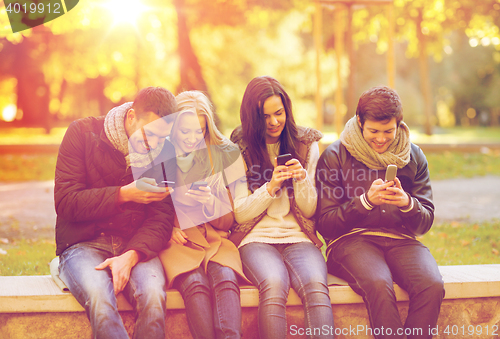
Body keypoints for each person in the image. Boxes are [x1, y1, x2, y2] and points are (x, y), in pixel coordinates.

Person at [316, 86, 445, 339]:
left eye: (388, 131)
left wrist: (407, 203)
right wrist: (364, 202)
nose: (381, 139)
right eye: (373, 131)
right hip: (350, 241)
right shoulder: (334, 155)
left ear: (399, 124)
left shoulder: (413, 156)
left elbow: (424, 222)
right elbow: (325, 224)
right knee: (378, 283)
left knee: (432, 285)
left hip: (401, 240)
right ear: (360, 122)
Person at [55, 87, 177, 339]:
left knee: (153, 297)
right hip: (82, 244)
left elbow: (161, 219)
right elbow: (66, 202)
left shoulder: (163, 153)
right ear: (131, 116)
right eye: (149, 134)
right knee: (100, 297)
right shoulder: (82, 133)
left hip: (134, 246)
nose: (154, 144)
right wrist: (124, 194)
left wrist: (131, 256)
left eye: (161, 137)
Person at [230, 76, 335, 339]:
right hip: (255, 239)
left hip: (299, 237)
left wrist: (300, 180)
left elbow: (310, 211)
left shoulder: (306, 145)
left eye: (279, 113)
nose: (274, 122)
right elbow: (240, 212)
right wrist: (271, 186)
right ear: (252, 118)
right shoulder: (237, 149)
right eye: (265, 117)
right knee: (274, 284)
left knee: (316, 285)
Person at [159, 91, 248, 339]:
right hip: (177, 242)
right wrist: (167, 229)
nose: (191, 138)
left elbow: (229, 221)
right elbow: (148, 210)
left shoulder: (217, 155)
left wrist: (211, 203)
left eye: (199, 131)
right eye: (185, 131)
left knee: (226, 279)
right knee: (195, 284)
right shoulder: (161, 155)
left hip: (214, 240)